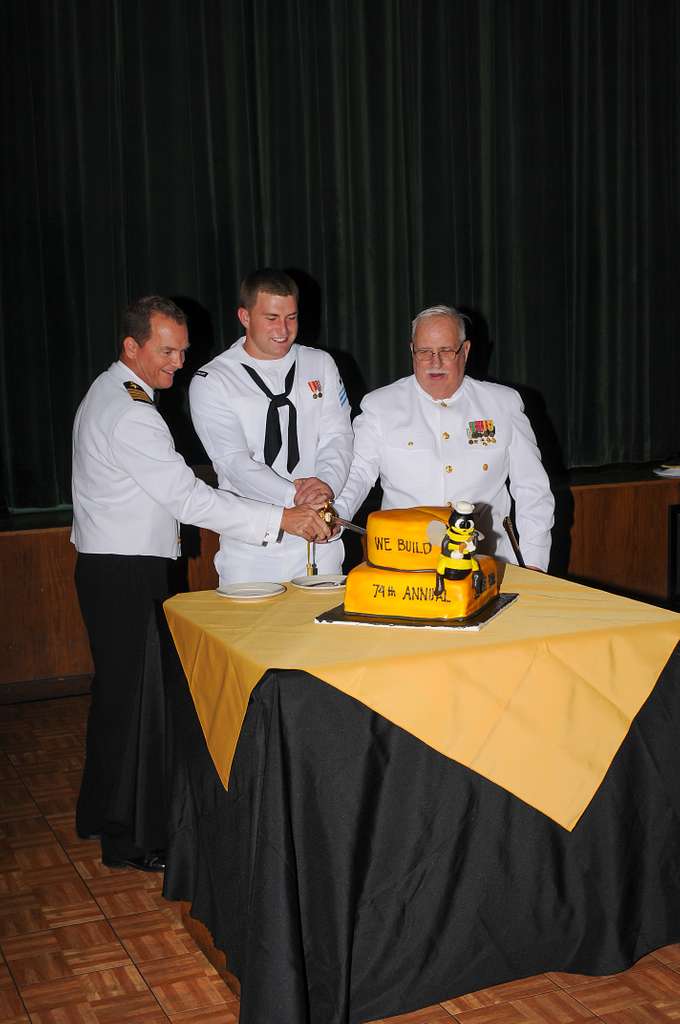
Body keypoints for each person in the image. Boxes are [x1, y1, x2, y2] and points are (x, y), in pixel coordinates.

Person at [71, 295, 329, 872]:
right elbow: (188, 498)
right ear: (131, 346)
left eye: (184, 351)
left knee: (116, 698)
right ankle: (131, 840)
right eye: (166, 351)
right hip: (126, 570)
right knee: (136, 705)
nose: (178, 364)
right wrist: (279, 520)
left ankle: (98, 813)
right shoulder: (133, 412)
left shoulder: (109, 392)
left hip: (109, 565)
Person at [334, 305, 554, 571]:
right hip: (406, 564)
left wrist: (534, 563)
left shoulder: (502, 404)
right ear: (412, 351)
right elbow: (356, 474)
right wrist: (336, 516)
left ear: (465, 351)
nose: (434, 362)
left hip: (489, 563)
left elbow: (533, 489)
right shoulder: (381, 406)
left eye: (446, 351)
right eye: (424, 352)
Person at [189, 268, 354, 584]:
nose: (284, 329)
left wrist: (325, 487)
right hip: (253, 547)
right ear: (245, 316)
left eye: (291, 317)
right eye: (272, 318)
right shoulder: (213, 380)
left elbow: (338, 437)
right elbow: (234, 463)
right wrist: (295, 498)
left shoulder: (320, 363)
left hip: (320, 541)